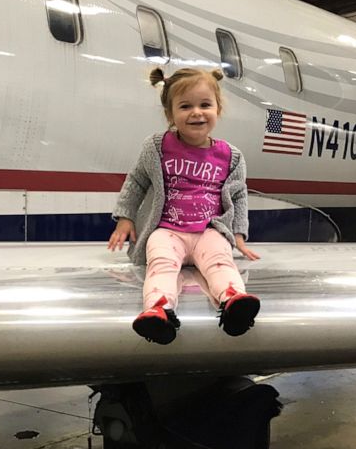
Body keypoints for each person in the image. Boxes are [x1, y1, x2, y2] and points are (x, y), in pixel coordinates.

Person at [108, 66, 261, 345]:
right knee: (162, 265)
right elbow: (137, 181)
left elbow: (239, 196)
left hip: (208, 230)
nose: (196, 112)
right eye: (185, 106)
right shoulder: (157, 146)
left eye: (205, 105)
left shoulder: (231, 156)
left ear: (218, 109)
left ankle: (233, 302)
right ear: (170, 114)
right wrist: (125, 217)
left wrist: (238, 235)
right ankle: (159, 311)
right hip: (167, 231)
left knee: (220, 261)